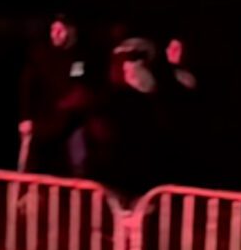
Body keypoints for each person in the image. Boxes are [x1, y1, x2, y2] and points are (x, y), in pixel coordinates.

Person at [84, 38, 172, 202]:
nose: (123, 66)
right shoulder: (110, 98)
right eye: (117, 61)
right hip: (114, 176)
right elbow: (100, 131)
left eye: (130, 60)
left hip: (141, 176)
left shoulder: (153, 99)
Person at [18, 14, 91, 177]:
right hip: (42, 122)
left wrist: (71, 102)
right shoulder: (40, 55)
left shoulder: (78, 57)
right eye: (53, 29)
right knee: (34, 166)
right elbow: (28, 87)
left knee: (74, 165)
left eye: (61, 30)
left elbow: (78, 81)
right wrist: (25, 117)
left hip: (68, 123)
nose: (56, 34)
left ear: (71, 31)